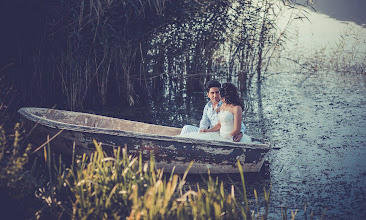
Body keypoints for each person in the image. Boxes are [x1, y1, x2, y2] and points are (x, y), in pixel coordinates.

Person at [180, 81, 247, 142]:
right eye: (212, 93)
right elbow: (204, 122)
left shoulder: (228, 104)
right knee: (186, 128)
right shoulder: (208, 106)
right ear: (208, 94)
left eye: (217, 92)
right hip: (212, 132)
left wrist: (240, 133)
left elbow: (240, 125)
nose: (215, 96)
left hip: (221, 134)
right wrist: (203, 131)